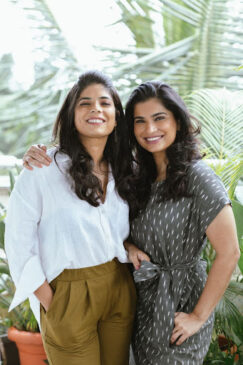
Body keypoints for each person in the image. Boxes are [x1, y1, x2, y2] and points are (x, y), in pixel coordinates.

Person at [22, 81, 240, 365]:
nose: (150, 130)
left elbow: (230, 251)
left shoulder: (197, 176)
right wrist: (128, 246)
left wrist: (198, 317)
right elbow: (107, 225)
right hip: (139, 303)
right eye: (140, 121)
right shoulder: (137, 175)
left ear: (177, 120)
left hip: (178, 308)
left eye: (159, 118)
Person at [5, 70, 150, 365]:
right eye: (85, 103)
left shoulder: (125, 170)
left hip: (118, 285)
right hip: (68, 294)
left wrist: (129, 248)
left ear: (116, 117)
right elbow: (18, 243)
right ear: (71, 114)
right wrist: (51, 302)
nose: (95, 108)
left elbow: (112, 231)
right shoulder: (43, 169)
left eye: (104, 103)